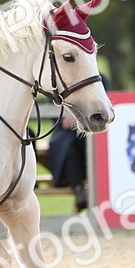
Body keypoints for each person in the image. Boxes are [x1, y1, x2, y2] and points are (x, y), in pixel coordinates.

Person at [47, 74, 110, 212]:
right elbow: (49, 107)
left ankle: (92, 186)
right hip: (63, 130)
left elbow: (104, 105)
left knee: (90, 143)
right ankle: (78, 188)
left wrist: (78, 118)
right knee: (67, 146)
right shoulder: (54, 80)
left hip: (90, 129)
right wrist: (65, 117)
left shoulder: (100, 79)